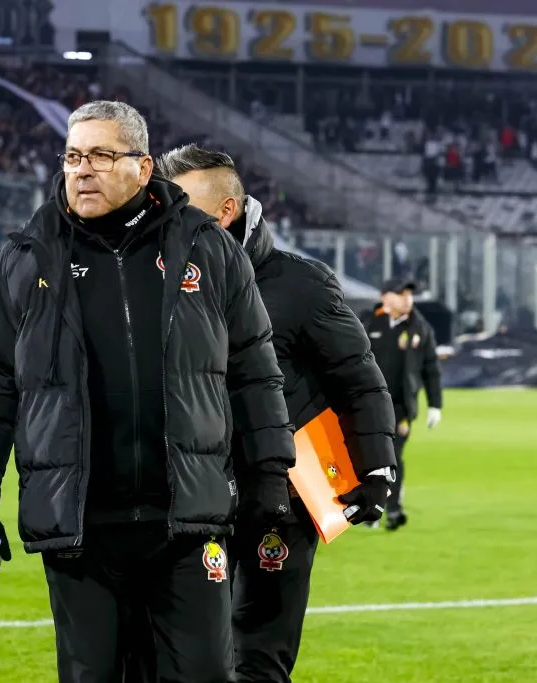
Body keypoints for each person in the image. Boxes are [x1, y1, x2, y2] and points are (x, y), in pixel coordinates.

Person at [0, 102, 295, 683]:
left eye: (101, 156)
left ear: (143, 166)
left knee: (207, 675)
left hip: (186, 523)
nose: (82, 170)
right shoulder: (22, 260)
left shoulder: (208, 249)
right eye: (72, 157)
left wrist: (269, 478)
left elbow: (254, 371)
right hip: (81, 528)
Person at [139, 144, 396, 683]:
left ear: (225, 213)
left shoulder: (299, 285)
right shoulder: (148, 279)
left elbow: (359, 378)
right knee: (178, 653)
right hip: (187, 491)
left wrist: (376, 469)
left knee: (258, 655)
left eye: (178, 206)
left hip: (277, 497)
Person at [364, 278, 442, 531]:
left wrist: (435, 406)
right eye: (400, 293)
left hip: (400, 408)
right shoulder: (367, 322)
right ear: (385, 297)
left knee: (392, 458)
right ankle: (369, 509)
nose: (407, 298)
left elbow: (431, 369)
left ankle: (393, 508)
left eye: (409, 294)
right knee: (366, 456)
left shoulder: (420, 328)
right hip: (367, 404)